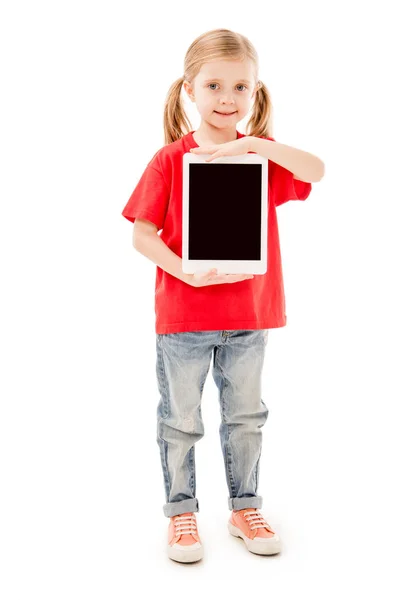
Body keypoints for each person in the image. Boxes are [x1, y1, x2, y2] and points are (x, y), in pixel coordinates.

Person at [121, 28, 324, 563]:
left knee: (246, 417)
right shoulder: (170, 160)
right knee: (180, 420)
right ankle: (182, 514)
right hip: (184, 317)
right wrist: (184, 271)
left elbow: (316, 171)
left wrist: (255, 142)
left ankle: (244, 506)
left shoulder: (260, 160)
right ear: (190, 89)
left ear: (256, 93)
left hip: (248, 315)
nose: (227, 99)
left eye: (241, 87)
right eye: (214, 86)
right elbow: (141, 234)